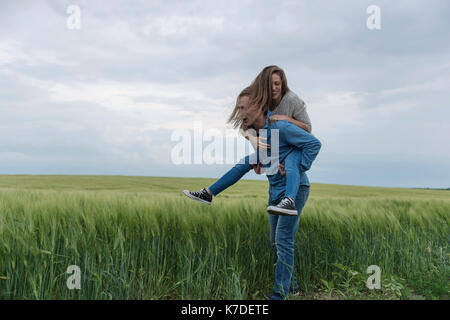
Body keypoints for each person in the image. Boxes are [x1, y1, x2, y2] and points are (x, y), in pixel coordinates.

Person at [187, 87, 322, 299]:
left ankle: (281, 293)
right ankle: (208, 193)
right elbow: (259, 147)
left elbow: (314, 143)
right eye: (238, 108)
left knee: (283, 240)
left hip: (294, 190)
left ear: (258, 106)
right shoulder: (258, 132)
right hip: (275, 190)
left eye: (243, 108)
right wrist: (263, 160)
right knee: (274, 241)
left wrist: (298, 165)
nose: (239, 113)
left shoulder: (282, 127)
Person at [183, 66, 313, 216]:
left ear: (283, 83)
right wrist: (253, 139)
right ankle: (208, 193)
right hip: (273, 149)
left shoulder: (291, 100)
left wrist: (286, 118)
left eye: (277, 84)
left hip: (289, 148)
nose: (274, 88)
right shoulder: (261, 100)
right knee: (244, 163)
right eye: (269, 84)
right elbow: (244, 126)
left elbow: (308, 129)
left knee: (283, 237)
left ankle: (289, 200)